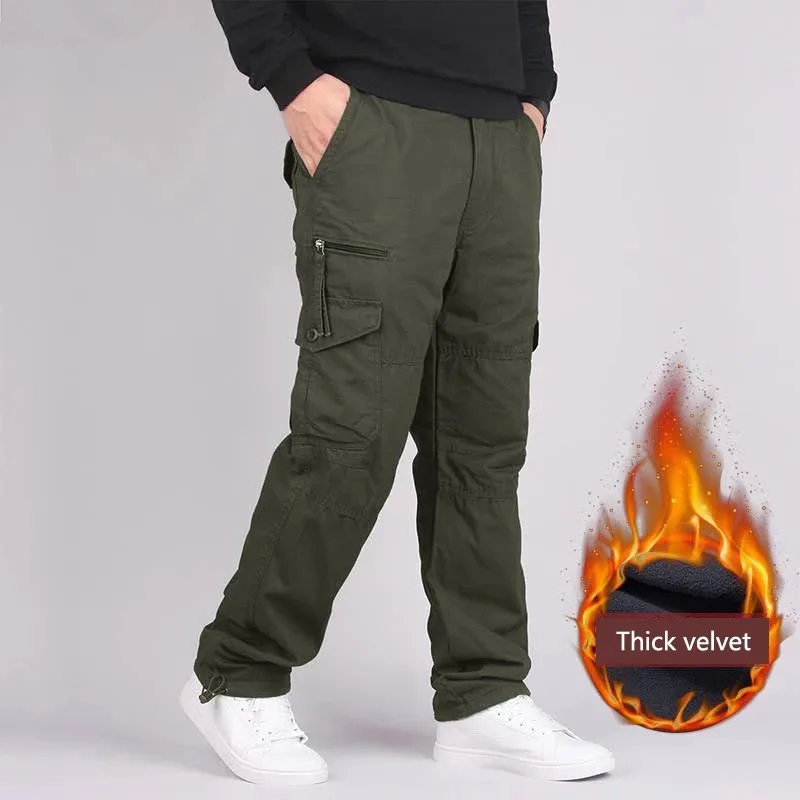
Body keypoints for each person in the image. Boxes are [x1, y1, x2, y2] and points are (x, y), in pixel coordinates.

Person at [180, 0, 614, 785]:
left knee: (482, 438)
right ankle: (238, 673)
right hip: (373, 121)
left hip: (499, 136)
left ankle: (483, 691)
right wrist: (291, 78)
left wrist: (533, 92)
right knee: (351, 431)